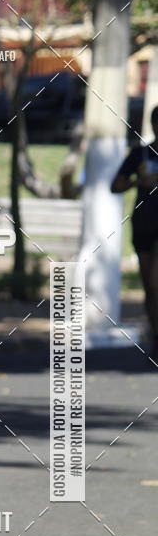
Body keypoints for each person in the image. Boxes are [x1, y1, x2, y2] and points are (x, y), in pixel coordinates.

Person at [111, 106, 158, 359]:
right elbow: (115, 185)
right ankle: (155, 335)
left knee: (155, 282)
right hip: (143, 223)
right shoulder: (140, 154)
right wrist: (139, 181)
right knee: (150, 288)